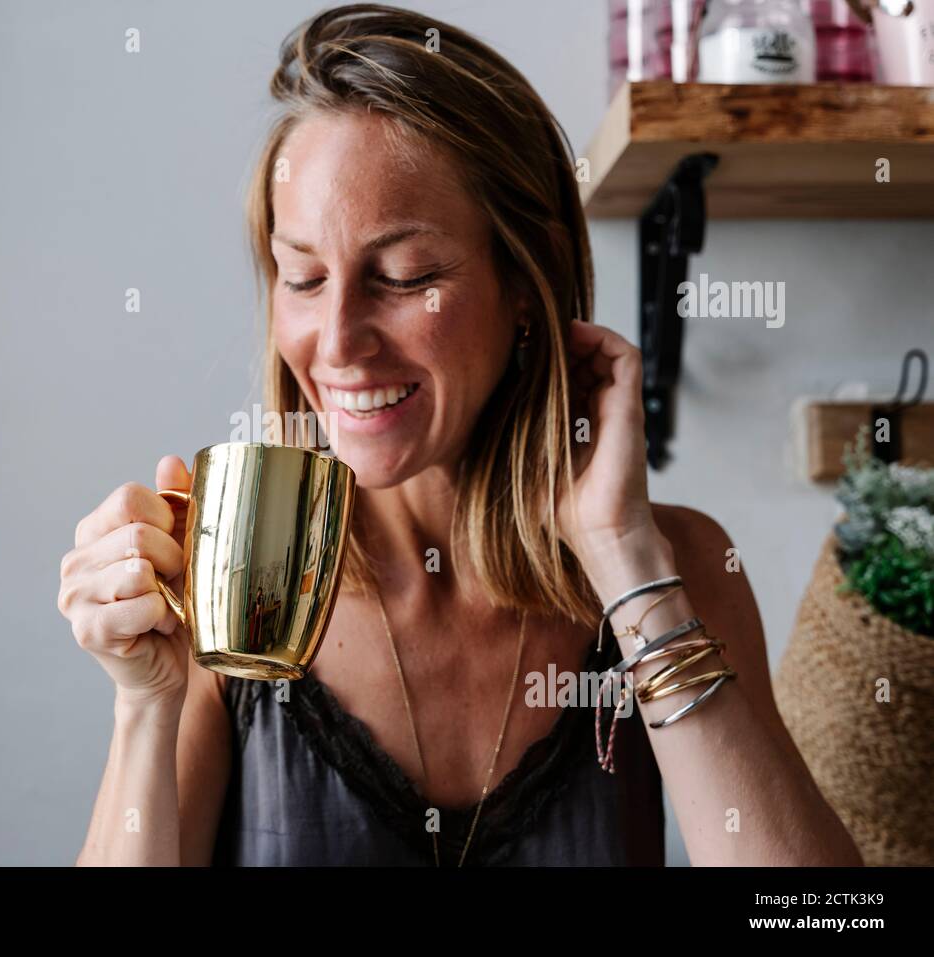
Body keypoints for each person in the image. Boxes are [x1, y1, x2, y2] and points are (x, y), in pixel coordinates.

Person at [58, 3, 862, 866]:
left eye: (403, 277)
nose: (336, 344)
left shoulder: (684, 567)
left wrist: (626, 559)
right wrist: (147, 704)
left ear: (527, 281)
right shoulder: (227, 587)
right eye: (302, 277)